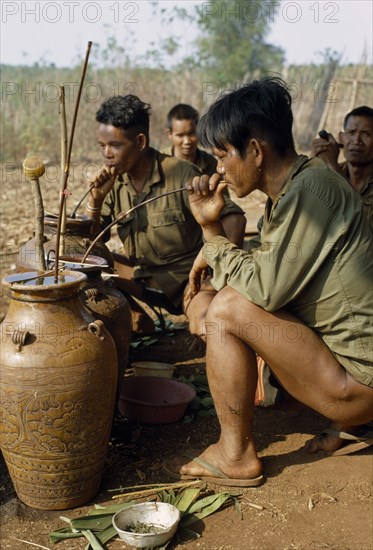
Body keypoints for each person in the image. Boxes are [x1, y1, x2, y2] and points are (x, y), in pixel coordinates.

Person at [162, 77, 373, 487]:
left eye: (223, 155)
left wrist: (212, 237)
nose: (218, 169)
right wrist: (213, 236)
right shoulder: (297, 188)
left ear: (255, 151)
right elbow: (272, 270)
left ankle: (235, 454)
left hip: (359, 385)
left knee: (224, 310)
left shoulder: (311, 190)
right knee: (228, 300)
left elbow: (265, 289)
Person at [84, 94, 246, 337]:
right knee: (87, 265)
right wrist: (94, 201)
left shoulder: (180, 173)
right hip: (142, 279)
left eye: (115, 145)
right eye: (102, 146)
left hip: (188, 285)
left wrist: (217, 278)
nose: (107, 154)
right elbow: (89, 245)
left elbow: (235, 219)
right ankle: (135, 318)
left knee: (206, 326)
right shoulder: (113, 183)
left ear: (140, 141)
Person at [312, 106, 373, 230]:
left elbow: (365, 227)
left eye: (366, 134)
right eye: (351, 133)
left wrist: (332, 166)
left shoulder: (334, 170)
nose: (356, 141)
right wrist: (311, 168)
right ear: (341, 138)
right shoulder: (328, 173)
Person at [162, 103, 218, 176]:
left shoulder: (211, 163)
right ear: (169, 134)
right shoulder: (159, 162)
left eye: (192, 134)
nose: (187, 141)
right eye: (180, 135)